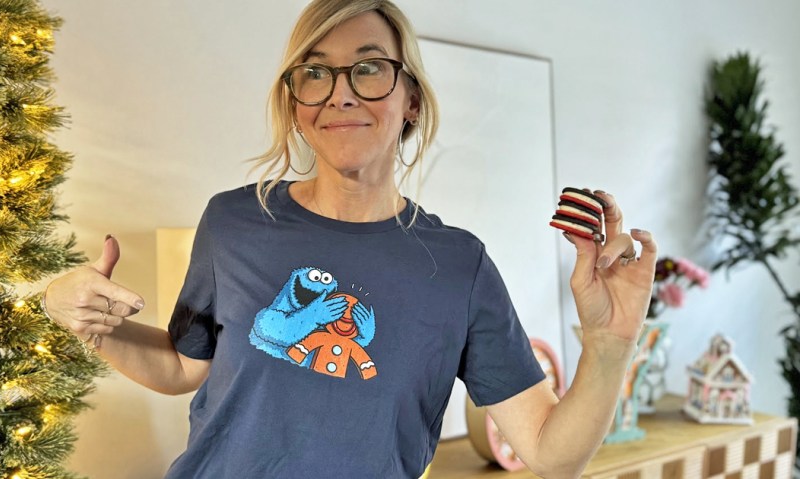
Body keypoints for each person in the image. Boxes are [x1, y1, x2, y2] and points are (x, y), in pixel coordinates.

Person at [41, 1, 657, 477]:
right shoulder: (233, 223)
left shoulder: (458, 266)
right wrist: (88, 320)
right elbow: (182, 365)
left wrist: (609, 342)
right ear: (296, 103)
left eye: (368, 68)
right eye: (316, 73)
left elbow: (553, 456)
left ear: (411, 98)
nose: (339, 92)